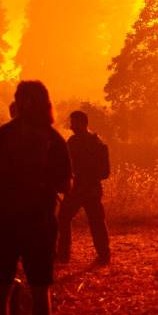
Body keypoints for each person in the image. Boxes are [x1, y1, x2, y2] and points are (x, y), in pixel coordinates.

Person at [0, 81, 72, 315]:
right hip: (40, 222)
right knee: (41, 290)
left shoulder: (6, 133)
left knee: (1, 288)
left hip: (5, 221)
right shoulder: (54, 139)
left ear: (23, 102)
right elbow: (65, 185)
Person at [57, 110, 111, 265]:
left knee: (94, 222)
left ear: (82, 123)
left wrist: (86, 180)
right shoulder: (74, 142)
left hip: (88, 188)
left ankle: (65, 254)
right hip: (81, 188)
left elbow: (105, 171)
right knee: (67, 218)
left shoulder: (95, 143)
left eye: (74, 123)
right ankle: (65, 254)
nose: (71, 126)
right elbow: (65, 166)